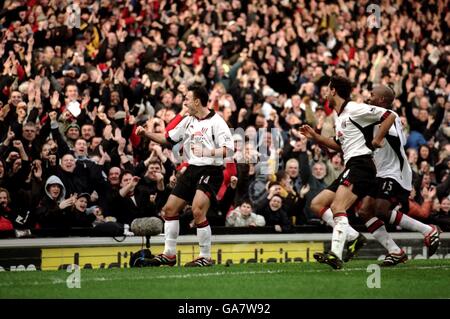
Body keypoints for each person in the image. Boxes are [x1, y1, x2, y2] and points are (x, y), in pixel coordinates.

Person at [300, 76, 397, 269]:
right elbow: (338, 145)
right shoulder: (341, 115)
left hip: (361, 165)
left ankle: (335, 254)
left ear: (334, 91)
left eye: (327, 89)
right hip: (352, 165)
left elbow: (390, 115)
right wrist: (316, 137)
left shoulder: (355, 108)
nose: (325, 93)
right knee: (317, 204)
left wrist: (377, 139)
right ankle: (353, 237)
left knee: (338, 206)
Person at [135, 85, 234, 267]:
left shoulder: (217, 122)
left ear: (197, 101)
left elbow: (230, 150)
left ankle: (205, 256)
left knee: (197, 210)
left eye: (187, 99)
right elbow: (168, 139)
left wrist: (206, 151)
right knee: (169, 210)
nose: (185, 102)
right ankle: (169, 254)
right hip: (192, 169)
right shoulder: (189, 120)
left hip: (211, 171)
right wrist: (146, 134)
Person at [357, 85, 441, 263]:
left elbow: (398, 140)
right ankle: (394, 250)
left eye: (372, 95)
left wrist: (379, 133)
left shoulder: (390, 118)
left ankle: (428, 230)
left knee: (381, 209)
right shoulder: (374, 116)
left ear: (381, 100)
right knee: (365, 211)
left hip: (395, 171)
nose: (368, 96)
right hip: (380, 172)